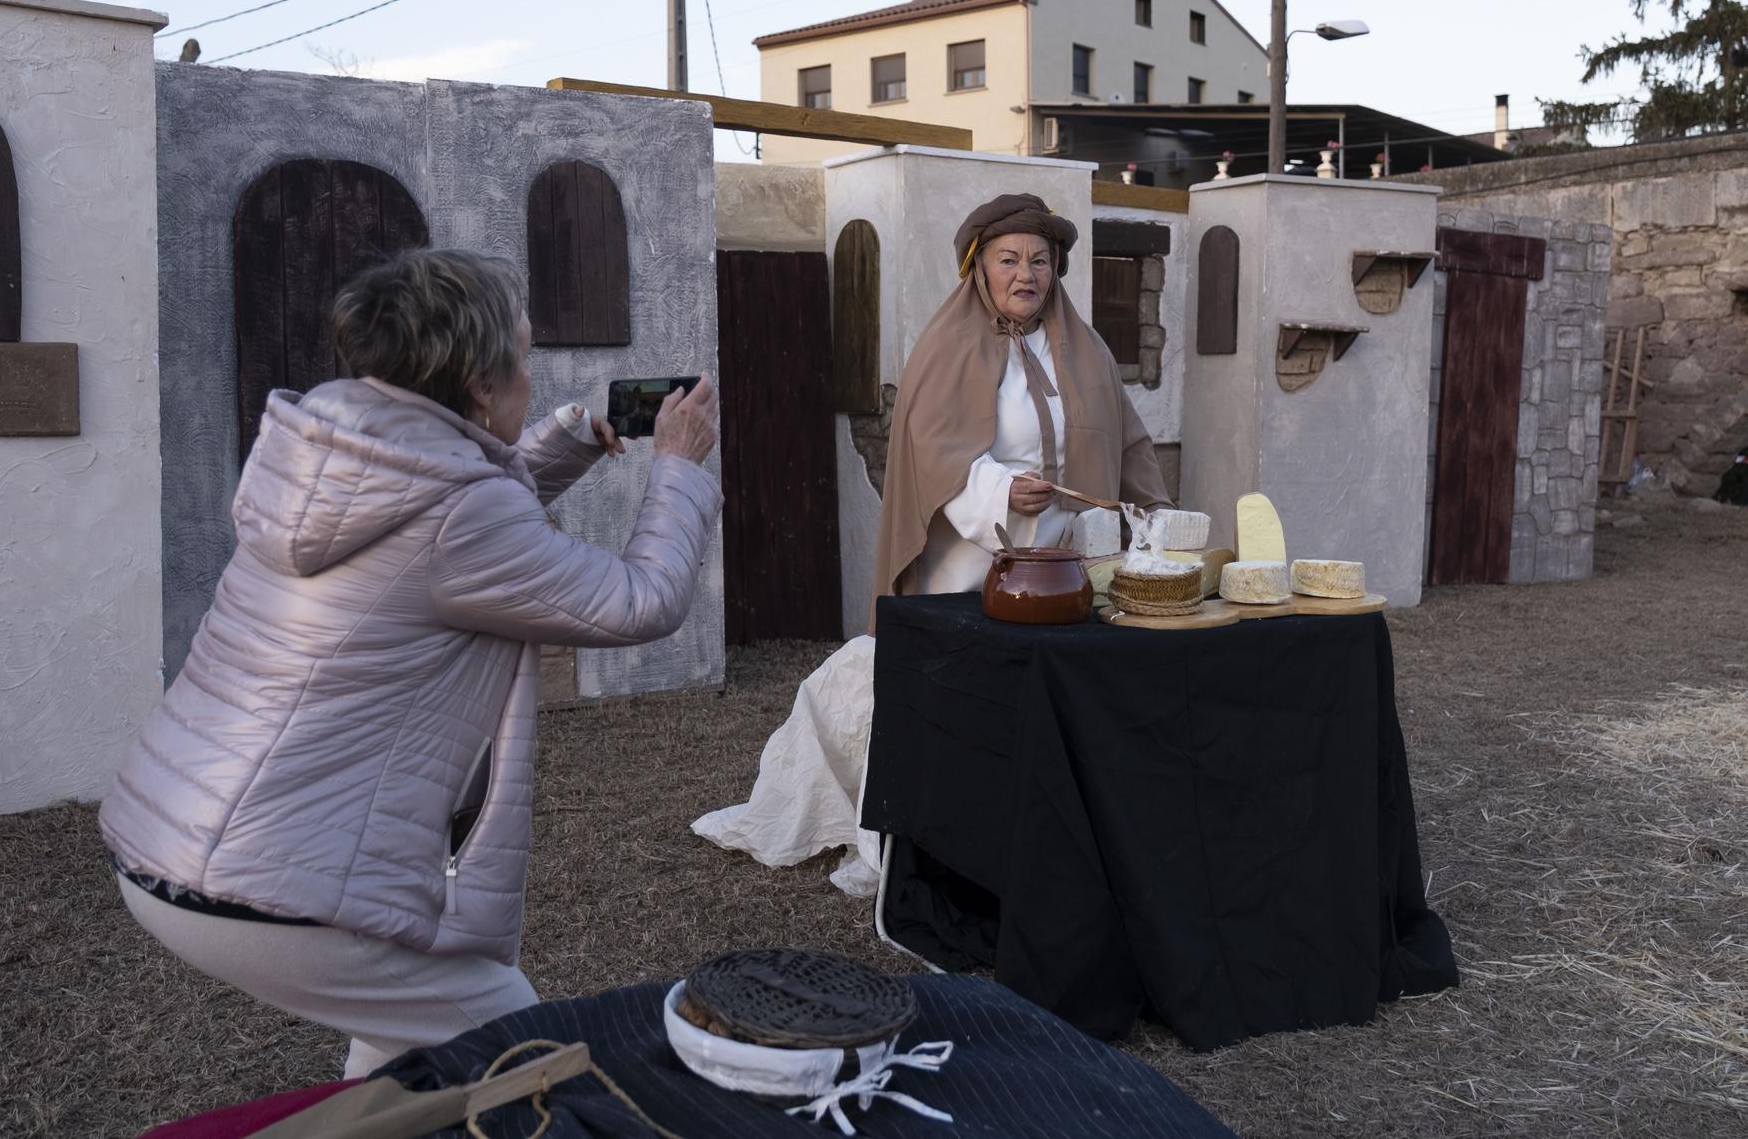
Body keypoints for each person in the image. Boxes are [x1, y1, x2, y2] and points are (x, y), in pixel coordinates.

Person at [99, 248, 721, 1077]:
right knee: (519, 1060)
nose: (531, 375)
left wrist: (566, 442)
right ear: (478, 385)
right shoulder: (460, 514)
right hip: (257, 875)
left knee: (408, 1061)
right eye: (523, 357)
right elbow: (642, 598)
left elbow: (436, 529)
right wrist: (677, 466)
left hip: (176, 831)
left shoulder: (344, 446)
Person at [695, 193, 1171, 893]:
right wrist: (999, 490)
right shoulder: (948, 345)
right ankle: (939, 830)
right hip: (964, 564)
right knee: (960, 696)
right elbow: (929, 447)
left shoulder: (1087, 349)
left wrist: (1157, 516)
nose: (1027, 274)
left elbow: (1127, 440)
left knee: (1039, 698)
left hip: (1057, 568)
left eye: (1040, 261)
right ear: (980, 267)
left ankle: (1028, 831)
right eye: (1009, 259)